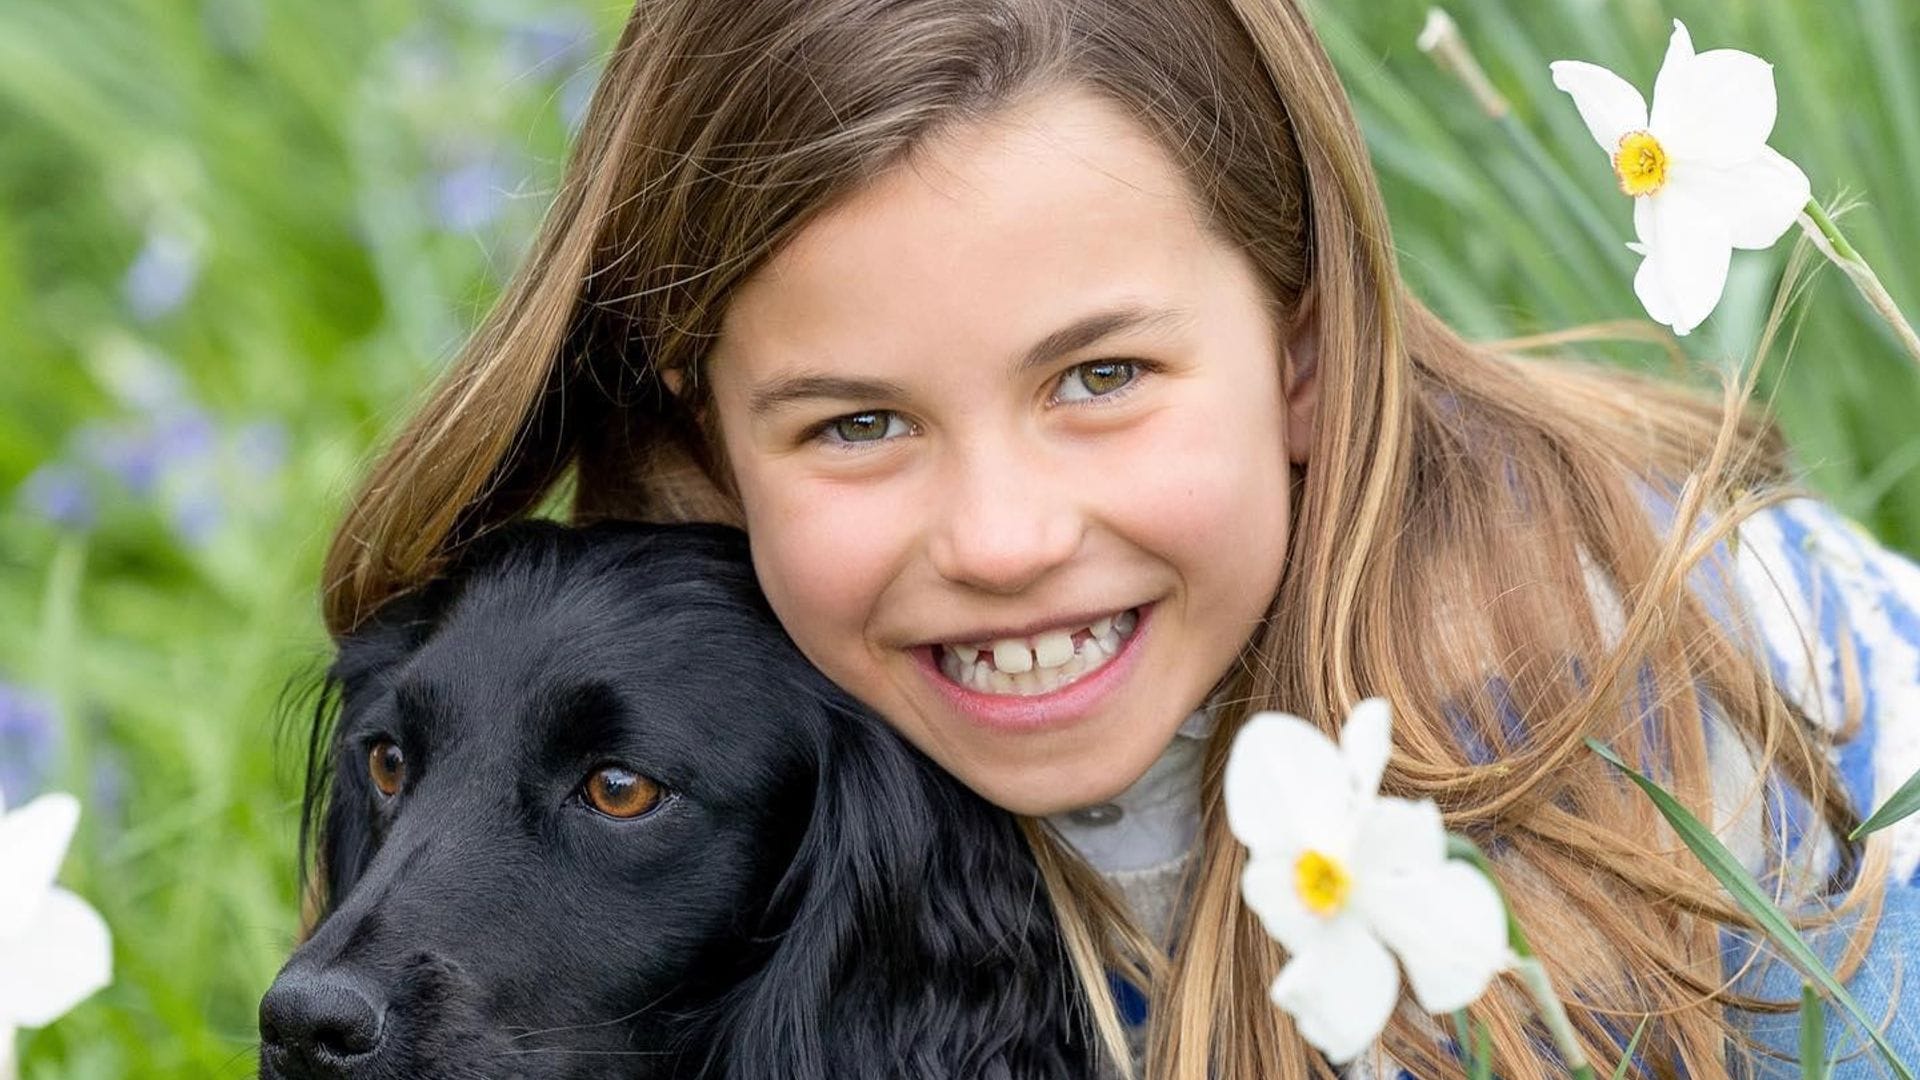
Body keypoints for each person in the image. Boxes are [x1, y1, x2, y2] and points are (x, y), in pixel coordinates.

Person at [314, 0, 1920, 1075]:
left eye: (1100, 377)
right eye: (858, 421)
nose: (1006, 541)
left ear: (1306, 350)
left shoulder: (1661, 713)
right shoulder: (735, 693)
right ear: (704, 431)